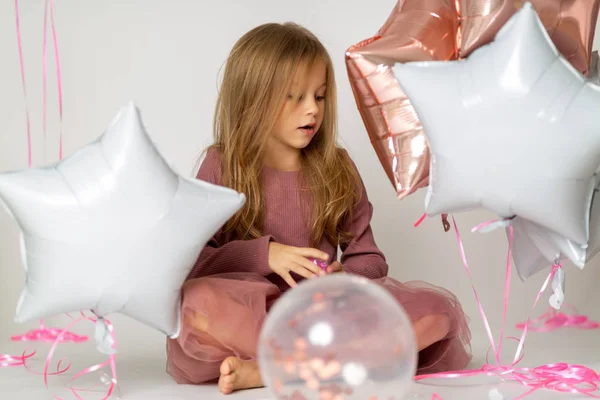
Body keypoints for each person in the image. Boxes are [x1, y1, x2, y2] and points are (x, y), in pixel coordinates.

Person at [166, 22, 472, 395]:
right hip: (254, 317)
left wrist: (344, 280)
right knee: (195, 305)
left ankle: (273, 368)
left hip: (326, 316)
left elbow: (371, 258)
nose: (312, 109)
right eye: (294, 97)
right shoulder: (221, 165)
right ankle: (320, 361)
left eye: (320, 96)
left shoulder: (336, 167)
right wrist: (266, 255)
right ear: (253, 98)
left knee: (435, 313)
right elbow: (194, 263)